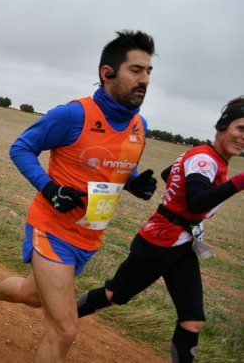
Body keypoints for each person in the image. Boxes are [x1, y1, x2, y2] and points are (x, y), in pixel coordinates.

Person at [0, 30, 158, 362]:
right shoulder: (73, 115)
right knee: (65, 329)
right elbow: (21, 148)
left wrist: (134, 182)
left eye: (149, 72)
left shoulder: (139, 126)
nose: (144, 79)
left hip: (89, 237)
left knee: (32, 295)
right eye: (136, 70)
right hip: (51, 229)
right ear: (107, 72)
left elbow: (117, 165)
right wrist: (50, 188)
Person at [75, 96, 244, 363]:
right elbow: (196, 200)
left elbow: (169, 173)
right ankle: (62, 316)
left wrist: (176, 194)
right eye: (241, 129)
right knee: (113, 295)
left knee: (192, 321)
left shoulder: (205, 156)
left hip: (181, 244)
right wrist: (240, 181)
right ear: (223, 126)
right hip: (157, 245)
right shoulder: (205, 160)